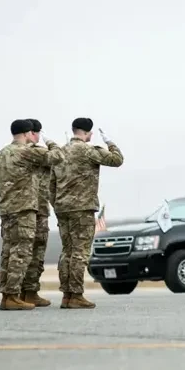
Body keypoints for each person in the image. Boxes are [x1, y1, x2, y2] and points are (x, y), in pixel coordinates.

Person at [52, 118, 124, 309]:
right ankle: (76, 295)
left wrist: (57, 204)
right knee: (80, 252)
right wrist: (109, 142)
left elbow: (51, 184)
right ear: (87, 132)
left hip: (62, 208)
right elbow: (117, 160)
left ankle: (66, 295)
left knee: (67, 251)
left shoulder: (59, 152)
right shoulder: (88, 150)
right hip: (82, 208)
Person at [0, 119, 59, 310]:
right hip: (24, 209)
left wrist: (0, 207)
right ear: (27, 133)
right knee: (21, 252)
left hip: (8, 210)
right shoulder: (26, 151)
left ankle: (10, 294)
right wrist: (51, 142)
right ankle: (12, 295)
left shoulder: (2, 154)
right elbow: (58, 156)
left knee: (8, 252)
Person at [25, 117, 55, 305]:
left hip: (17, 209)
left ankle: (18, 292)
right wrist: (49, 142)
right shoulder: (39, 152)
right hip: (38, 209)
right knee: (36, 252)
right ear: (34, 133)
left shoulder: (10, 153)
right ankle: (30, 291)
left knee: (17, 252)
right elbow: (59, 158)